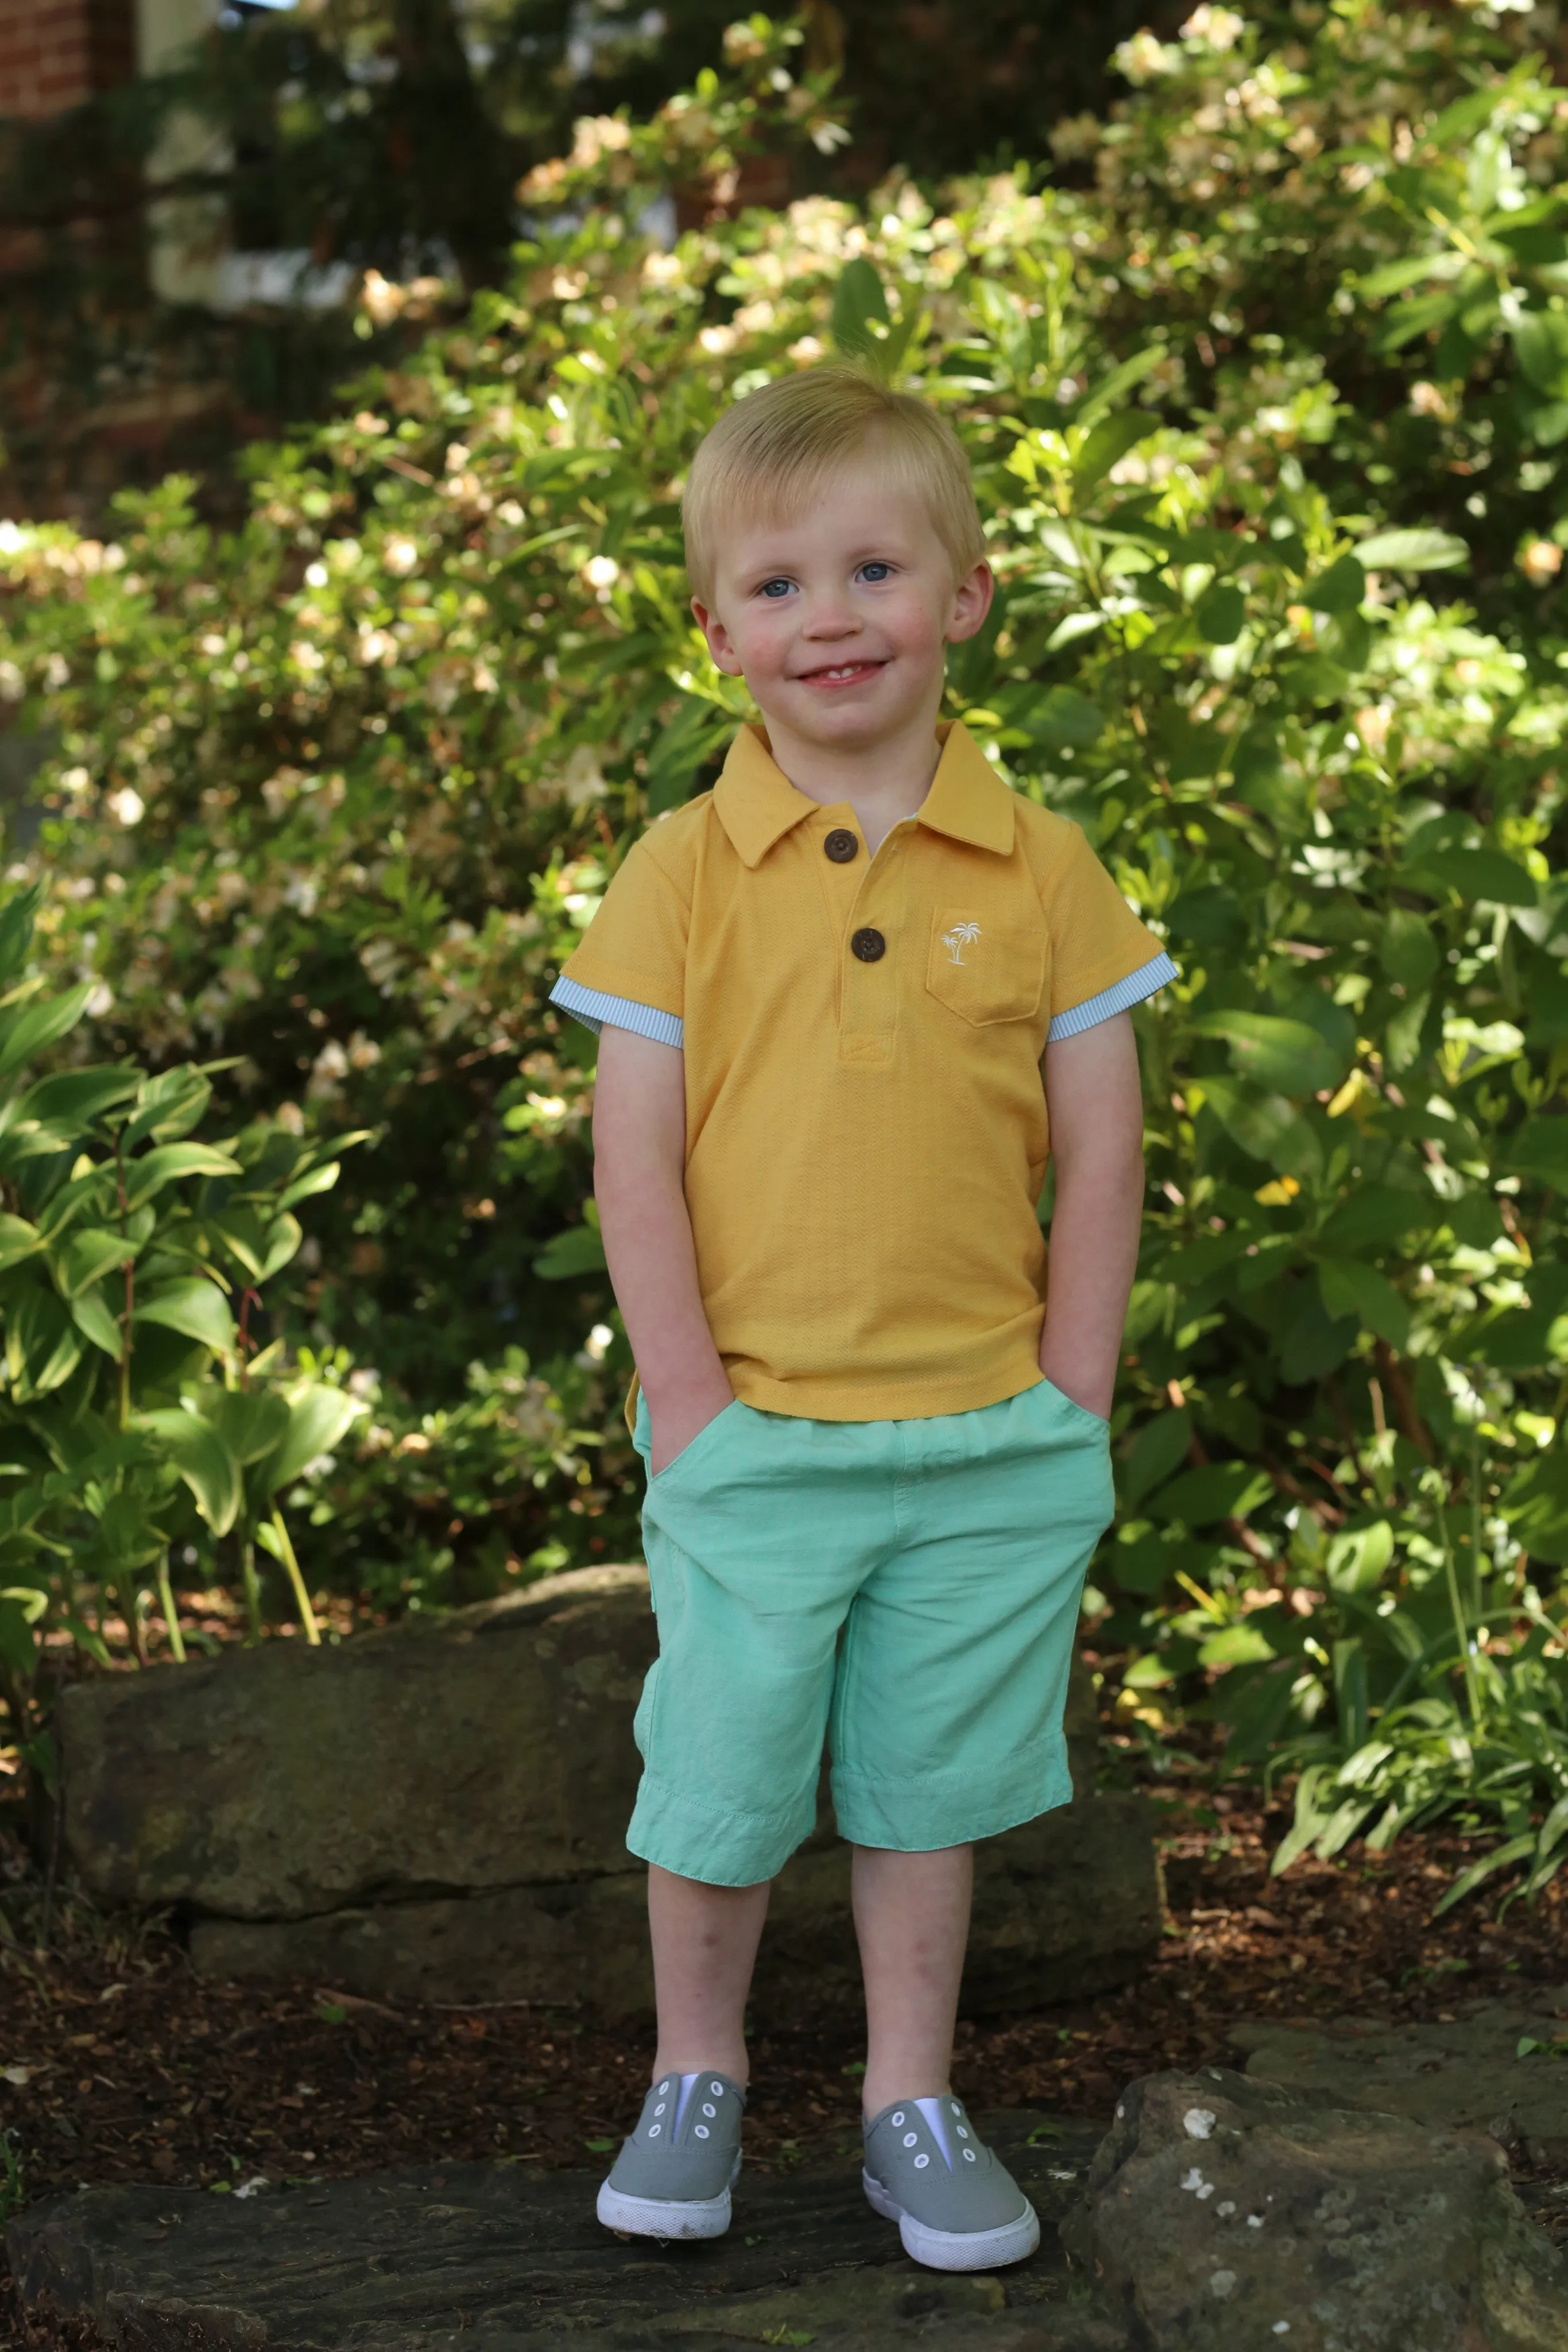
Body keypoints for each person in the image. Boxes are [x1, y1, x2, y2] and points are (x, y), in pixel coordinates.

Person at [548, 363, 1174, 2273]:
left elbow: (1104, 1141)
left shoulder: (1043, 866)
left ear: (964, 595)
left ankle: (913, 2094)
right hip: (759, 1440)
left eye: (876, 568)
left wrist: (1073, 1392)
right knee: (721, 1777)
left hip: (989, 1436)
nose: (831, 617)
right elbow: (632, 1167)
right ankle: (697, 2070)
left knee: (930, 1786)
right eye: (778, 585)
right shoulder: (677, 875)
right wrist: (690, 1410)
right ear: (713, 629)